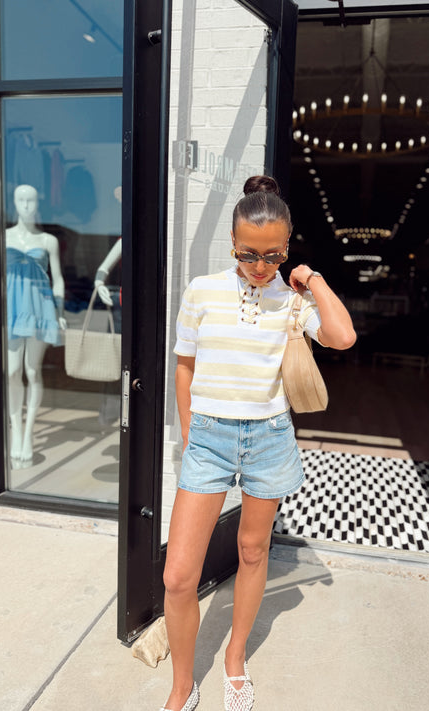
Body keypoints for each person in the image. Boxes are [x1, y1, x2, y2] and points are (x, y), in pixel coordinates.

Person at [161, 175, 356, 711]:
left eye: (273, 255)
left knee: (252, 550)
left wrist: (310, 278)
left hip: (268, 438)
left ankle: (234, 658)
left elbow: (342, 337)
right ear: (232, 241)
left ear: (287, 247)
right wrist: (190, 432)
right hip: (209, 439)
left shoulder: (291, 300)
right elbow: (185, 366)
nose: (260, 266)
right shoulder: (202, 291)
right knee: (178, 576)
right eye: (249, 253)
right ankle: (182, 686)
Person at [6, 184, 66, 465]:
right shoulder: (4, 237)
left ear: (38, 203)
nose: (27, 205)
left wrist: (60, 311)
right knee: (12, 372)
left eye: (31, 200)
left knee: (32, 371)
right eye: (21, 200)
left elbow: (58, 279)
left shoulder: (48, 241)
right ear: (14, 202)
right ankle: (15, 431)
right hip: (11, 309)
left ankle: (28, 433)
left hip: (40, 308)